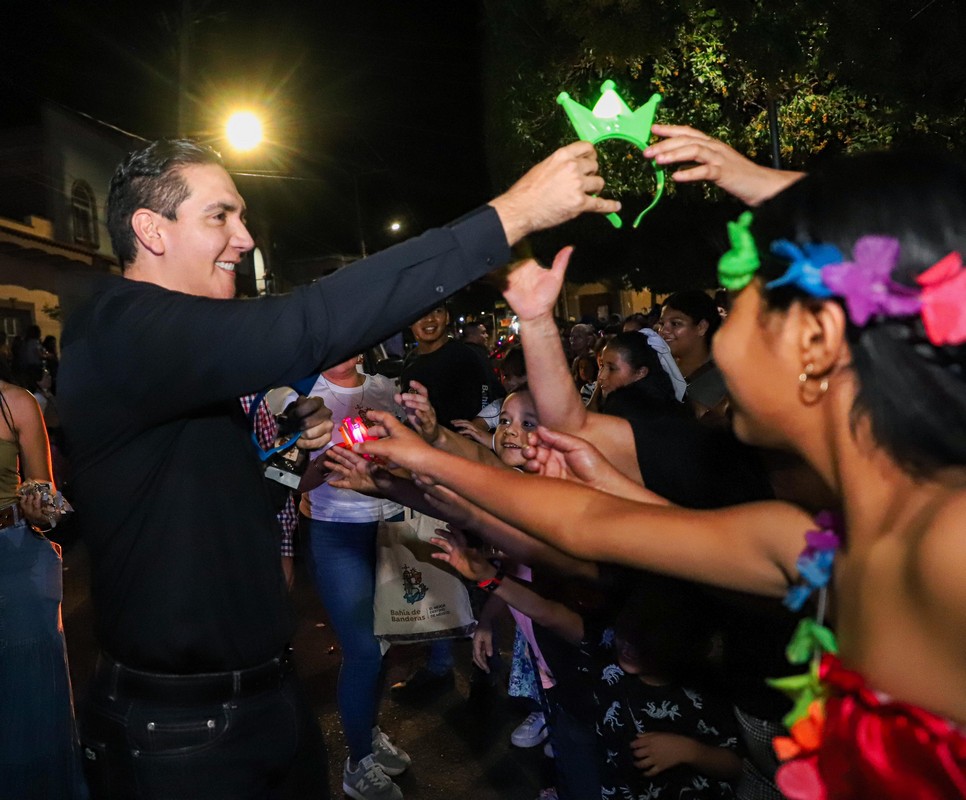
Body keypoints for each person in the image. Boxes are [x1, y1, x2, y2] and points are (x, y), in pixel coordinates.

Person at [359, 148, 966, 798]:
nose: (722, 336)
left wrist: (779, 192)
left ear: (815, 342)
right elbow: (588, 521)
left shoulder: (948, 543)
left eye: (740, 308)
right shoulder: (803, 543)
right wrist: (426, 459)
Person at [56, 136, 618, 799]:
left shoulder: (170, 354)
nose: (245, 237)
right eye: (220, 215)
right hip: (182, 734)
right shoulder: (122, 326)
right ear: (152, 230)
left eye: (242, 216)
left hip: (261, 697)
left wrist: (290, 453)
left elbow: (200, 502)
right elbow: (308, 322)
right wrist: (513, 214)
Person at [298, 355, 411, 800]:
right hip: (335, 532)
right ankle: (357, 763)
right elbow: (292, 480)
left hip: (390, 527)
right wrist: (328, 460)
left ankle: (368, 729)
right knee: (363, 650)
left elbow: (409, 458)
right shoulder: (303, 395)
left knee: (383, 644)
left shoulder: (385, 387)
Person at [0, 378, 86, 799]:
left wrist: (42, 509)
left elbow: (46, 496)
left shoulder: (15, 402)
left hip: (15, 559)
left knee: (30, 698)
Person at [658, 290, 727, 418]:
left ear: (701, 327)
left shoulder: (727, 380)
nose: (663, 331)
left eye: (675, 323)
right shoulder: (657, 370)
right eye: (662, 324)